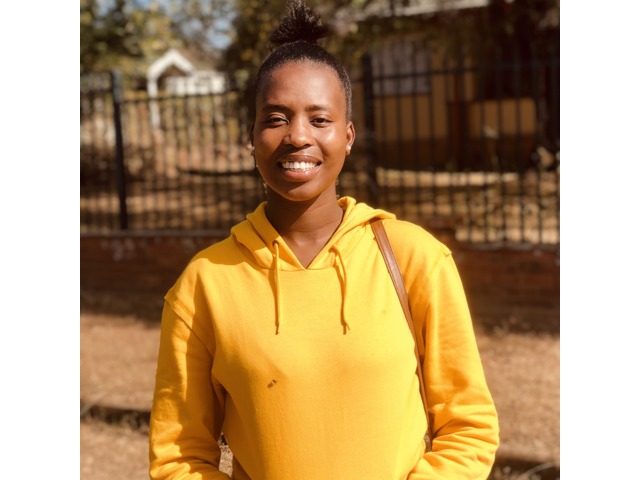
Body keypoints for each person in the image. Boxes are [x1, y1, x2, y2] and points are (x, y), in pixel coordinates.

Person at [148, 1, 499, 478]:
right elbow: (179, 454)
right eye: (275, 118)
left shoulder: (414, 258)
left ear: (348, 135)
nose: (297, 136)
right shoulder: (205, 283)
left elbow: (468, 426)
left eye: (319, 119)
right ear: (252, 136)